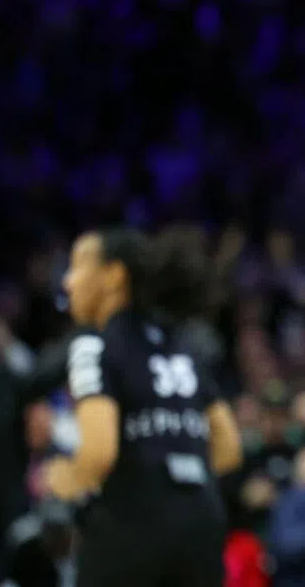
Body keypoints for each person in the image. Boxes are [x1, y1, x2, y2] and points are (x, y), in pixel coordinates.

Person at [44, 227, 244, 587]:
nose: (68, 283)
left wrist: (66, 478)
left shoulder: (94, 345)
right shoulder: (182, 346)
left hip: (134, 521)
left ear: (113, 276)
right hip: (202, 519)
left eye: (77, 267)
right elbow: (228, 449)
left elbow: (100, 452)